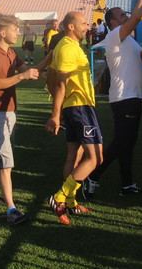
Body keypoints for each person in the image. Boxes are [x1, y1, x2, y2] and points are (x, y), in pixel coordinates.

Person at [83, 0, 142, 199]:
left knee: (128, 144)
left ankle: (127, 185)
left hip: (133, 96)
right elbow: (137, 17)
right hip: (124, 98)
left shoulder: (128, 39)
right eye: (122, 15)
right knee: (121, 142)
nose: (126, 16)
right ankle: (92, 176)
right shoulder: (115, 36)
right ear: (113, 22)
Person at [0, 14, 39, 226]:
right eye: (15, 29)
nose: (19, 33)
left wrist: (51, 60)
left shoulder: (12, 52)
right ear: (3, 32)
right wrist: (22, 76)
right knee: (6, 161)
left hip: (10, 111)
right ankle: (11, 210)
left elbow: (29, 72)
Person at [45, 11, 102, 225]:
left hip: (73, 107)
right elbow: (60, 83)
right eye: (84, 23)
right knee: (95, 158)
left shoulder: (65, 46)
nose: (87, 27)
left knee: (74, 155)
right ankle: (60, 197)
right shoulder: (68, 48)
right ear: (71, 26)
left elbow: (50, 76)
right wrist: (55, 114)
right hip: (80, 107)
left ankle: (70, 202)